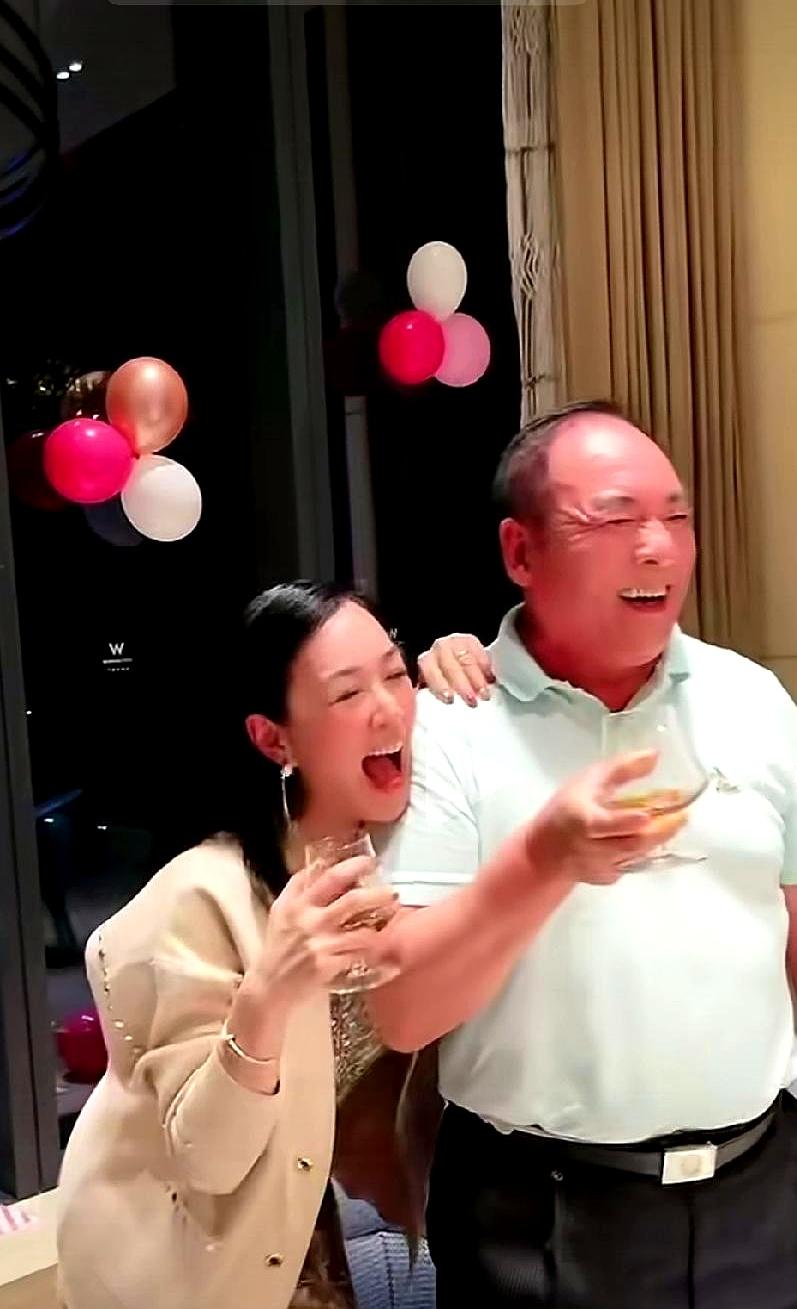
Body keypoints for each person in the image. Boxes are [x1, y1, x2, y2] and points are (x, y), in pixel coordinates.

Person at [57, 577, 660, 1309]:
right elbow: (207, 1160)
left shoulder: (416, 859)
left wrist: (461, 665)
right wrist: (269, 993)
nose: (389, 709)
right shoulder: (205, 897)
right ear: (272, 737)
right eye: (347, 693)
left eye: (394, 673)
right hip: (188, 1259)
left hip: (330, 1225)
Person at [368, 401, 797, 1309]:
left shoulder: (752, 699)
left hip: (762, 1192)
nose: (658, 547)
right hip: (541, 1212)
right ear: (520, 552)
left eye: (675, 516)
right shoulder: (449, 724)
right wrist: (546, 859)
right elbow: (403, 1010)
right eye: (613, 519)